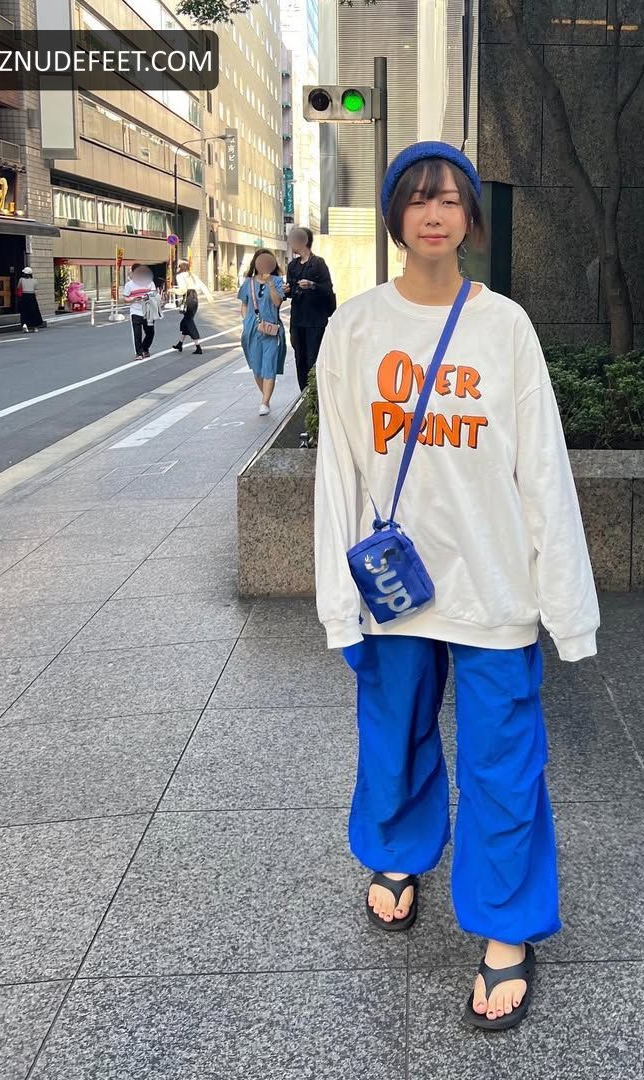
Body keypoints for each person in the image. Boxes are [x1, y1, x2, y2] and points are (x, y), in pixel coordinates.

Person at [313, 142, 600, 1032]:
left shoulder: (505, 327)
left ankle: (506, 924)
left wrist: (568, 606)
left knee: (503, 763)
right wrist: (337, 603)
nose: (433, 213)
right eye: (417, 198)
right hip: (393, 588)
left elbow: (542, 469)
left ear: (471, 217)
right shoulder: (355, 328)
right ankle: (400, 852)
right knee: (392, 738)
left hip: (492, 584)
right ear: (395, 215)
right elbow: (339, 473)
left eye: (450, 199)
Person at [285, 227, 335, 397]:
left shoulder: (318, 263)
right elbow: (291, 291)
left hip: (315, 319)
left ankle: (316, 394)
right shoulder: (292, 266)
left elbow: (327, 289)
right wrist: (286, 290)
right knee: (300, 359)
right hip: (297, 320)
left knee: (313, 358)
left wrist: (312, 285)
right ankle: (304, 395)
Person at [238, 249, 286, 416]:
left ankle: (265, 402)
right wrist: (246, 321)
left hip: (272, 328)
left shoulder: (278, 281)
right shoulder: (248, 282)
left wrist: (270, 283)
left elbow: (277, 302)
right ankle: (266, 396)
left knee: (269, 365)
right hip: (252, 329)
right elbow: (244, 304)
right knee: (257, 367)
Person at [124, 264, 156, 359]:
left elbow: (154, 294)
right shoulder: (129, 285)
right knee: (137, 333)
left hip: (148, 310)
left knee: (150, 332)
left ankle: (145, 348)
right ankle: (139, 353)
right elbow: (125, 298)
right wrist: (133, 299)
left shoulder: (149, 282)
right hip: (135, 311)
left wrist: (147, 297)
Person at [172, 289, 202, 354]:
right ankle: (179, 344)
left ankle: (198, 348)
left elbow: (182, 310)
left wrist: (183, 300)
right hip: (190, 318)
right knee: (185, 332)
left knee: (193, 334)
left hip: (188, 319)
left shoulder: (187, 301)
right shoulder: (195, 301)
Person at [16, 267, 45, 332]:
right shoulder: (35, 280)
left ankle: (24, 324)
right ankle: (35, 327)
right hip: (32, 296)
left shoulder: (21, 280)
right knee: (34, 311)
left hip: (24, 296)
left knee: (24, 311)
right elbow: (36, 290)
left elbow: (18, 287)